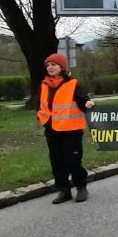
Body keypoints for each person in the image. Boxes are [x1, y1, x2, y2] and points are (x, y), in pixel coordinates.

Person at [37, 53, 95, 204]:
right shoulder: (44, 85)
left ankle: (81, 187)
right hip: (51, 130)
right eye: (48, 65)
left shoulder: (73, 84)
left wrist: (88, 104)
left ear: (62, 67)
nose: (50, 67)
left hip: (71, 130)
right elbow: (43, 105)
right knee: (56, 161)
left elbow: (84, 101)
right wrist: (42, 119)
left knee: (72, 161)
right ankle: (64, 190)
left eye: (53, 65)